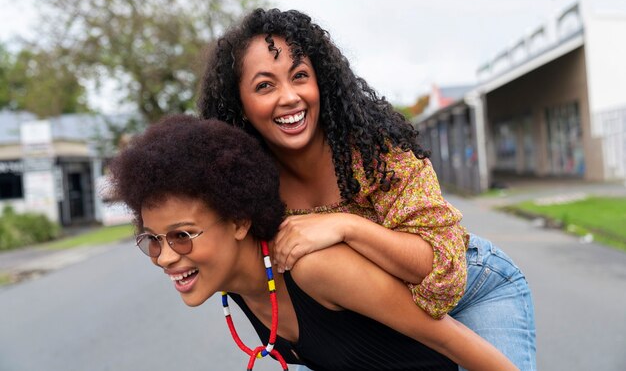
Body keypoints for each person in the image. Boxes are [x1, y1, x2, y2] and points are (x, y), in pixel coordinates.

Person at [198, 8, 536, 370]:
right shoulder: (247, 183)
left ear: (321, 83)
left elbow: (439, 269)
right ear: (241, 106)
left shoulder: (374, 151)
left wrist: (346, 226)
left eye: (300, 76)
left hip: (472, 290)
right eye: (265, 85)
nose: (289, 97)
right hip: (371, 322)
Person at [108, 114, 517, 371]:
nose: (164, 257)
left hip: (474, 290)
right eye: (152, 240)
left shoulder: (315, 269)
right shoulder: (235, 285)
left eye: (182, 236)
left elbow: (451, 342)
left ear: (238, 221)